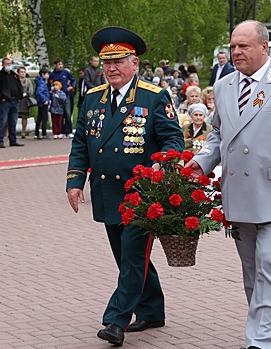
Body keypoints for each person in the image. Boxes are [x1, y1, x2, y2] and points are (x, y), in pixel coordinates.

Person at [185, 20, 271, 349]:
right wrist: (200, 163)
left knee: (270, 266)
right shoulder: (224, 86)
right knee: (252, 273)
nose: (236, 52)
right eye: (232, 46)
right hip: (240, 196)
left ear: (264, 47)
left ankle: (265, 342)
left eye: (243, 46)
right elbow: (218, 134)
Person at [66, 26, 184, 347]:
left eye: (118, 61)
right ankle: (152, 309)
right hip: (106, 193)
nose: (111, 69)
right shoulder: (92, 98)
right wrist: (75, 181)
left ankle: (116, 321)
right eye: (106, 63)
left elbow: (174, 138)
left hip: (142, 194)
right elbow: (81, 144)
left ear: (134, 63)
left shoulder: (153, 96)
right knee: (127, 256)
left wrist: (163, 161)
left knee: (133, 256)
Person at [0, 58, 24, 148]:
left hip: (15, 101)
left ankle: (13, 140)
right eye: (7, 64)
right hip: (4, 102)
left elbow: (19, 86)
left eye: (10, 63)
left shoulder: (14, 75)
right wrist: (1, 97)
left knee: (13, 121)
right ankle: (0, 140)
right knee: (2, 121)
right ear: (3, 65)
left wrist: (20, 95)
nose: (9, 65)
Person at [48, 58, 75, 138]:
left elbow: (73, 80)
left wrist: (71, 87)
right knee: (59, 114)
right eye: (59, 64)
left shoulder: (66, 73)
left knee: (67, 112)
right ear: (55, 65)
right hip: (56, 97)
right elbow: (49, 84)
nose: (60, 66)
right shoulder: (52, 74)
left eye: (61, 64)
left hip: (65, 95)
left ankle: (69, 131)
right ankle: (61, 131)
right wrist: (51, 89)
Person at [17, 66, 34, 139]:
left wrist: (26, 94)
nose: (23, 73)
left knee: (24, 117)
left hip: (24, 101)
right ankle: (9, 132)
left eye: (24, 72)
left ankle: (23, 132)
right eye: (21, 72)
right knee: (13, 117)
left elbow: (30, 90)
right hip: (16, 100)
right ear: (18, 73)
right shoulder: (15, 80)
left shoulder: (27, 81)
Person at [34, 67, 51, 140]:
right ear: (43, 74)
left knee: (39, 118)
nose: (48, 76)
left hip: (40, 102)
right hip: (43, 102)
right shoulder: (42, 82)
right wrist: (45, 100)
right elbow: (39, 92)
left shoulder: (41, 82)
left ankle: (37, 133)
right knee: (44, 118)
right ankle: (44, 133)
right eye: (47, 74)